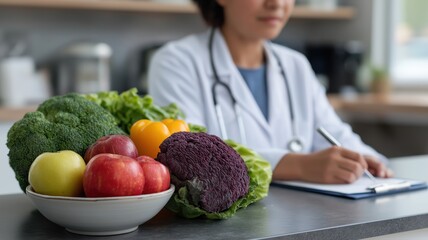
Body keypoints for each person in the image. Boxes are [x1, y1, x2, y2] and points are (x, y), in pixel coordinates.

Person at [148, 0, 393, 184]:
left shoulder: (295, 65)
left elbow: (334, 132)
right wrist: (299, 166)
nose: (276, 3)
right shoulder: (176, 61)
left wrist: (364, 159)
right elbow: (189, 154)